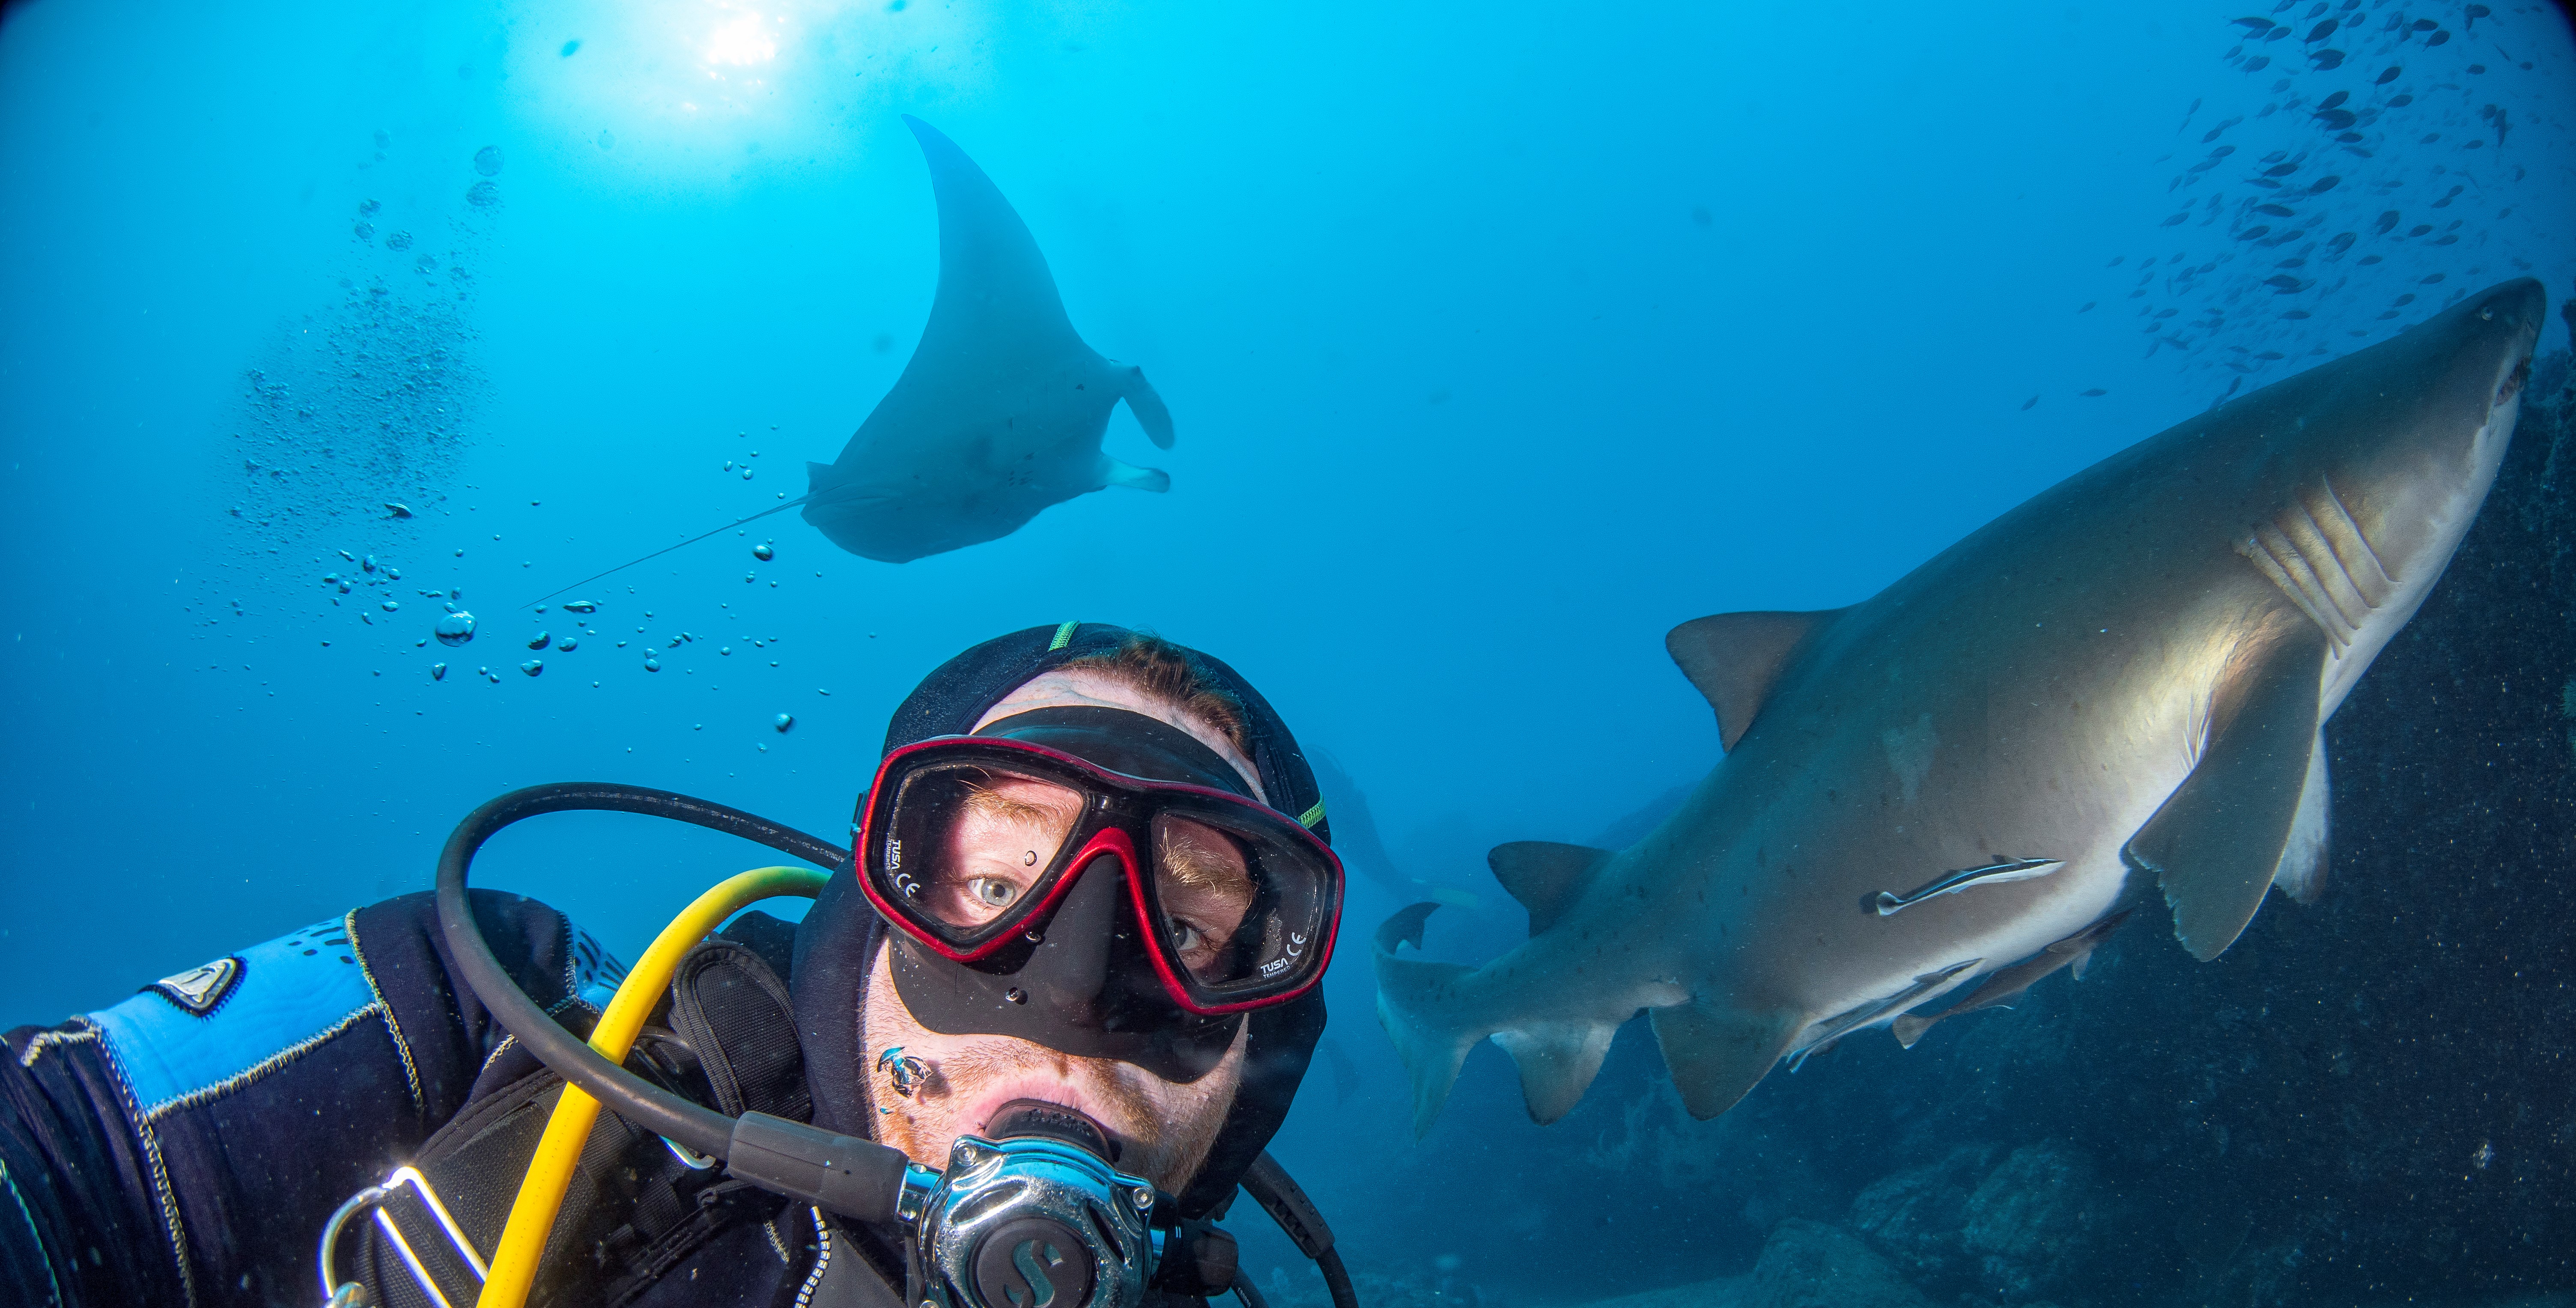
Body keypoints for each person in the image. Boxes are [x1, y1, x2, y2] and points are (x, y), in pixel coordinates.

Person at [0, 622, 1348, 1308]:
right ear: (867, 908)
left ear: (1266, 1051)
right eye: (997, 884)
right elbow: (56, 1161)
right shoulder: (474, 1027)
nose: (1071, 992)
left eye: (1191, 929)